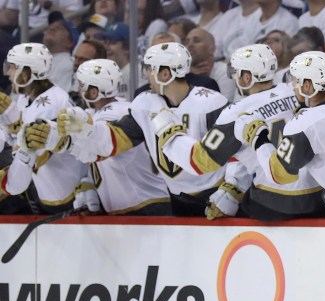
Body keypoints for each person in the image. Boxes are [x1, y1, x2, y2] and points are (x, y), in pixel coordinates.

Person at [164, 51, 325, 222]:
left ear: (308, 85)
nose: (292, 86)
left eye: (296, 81)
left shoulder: (302, 123)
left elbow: (278, 174)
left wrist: (258, 139)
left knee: (249, 197)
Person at [52, 42, 240, 217]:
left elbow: (238, 149)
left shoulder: (211, 102)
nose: (146, 75)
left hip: (216, 195)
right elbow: (116, 139)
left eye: (150, 69)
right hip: (176, 199)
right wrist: (85, 129)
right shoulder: (145, 103)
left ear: (165, 74)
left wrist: (233, 189)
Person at [159, 44, 325, 221]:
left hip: (275, 202)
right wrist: (233, 185)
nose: (234, 78)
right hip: (316, 196)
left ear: (247, 78)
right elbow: (248, 150)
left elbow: (200, 162)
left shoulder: (237, 112)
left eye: (237, 73)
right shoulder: (297, 93)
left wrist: (169, 135)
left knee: (230, 210)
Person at [26, 59, 172, 216]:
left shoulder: (110, 115)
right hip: (140, 203)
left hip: (144, 206)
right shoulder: (114, 109)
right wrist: (89, 182)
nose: (78, 90)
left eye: (81, 85)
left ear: (93, 92)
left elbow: (100, 142)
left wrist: (60, 139)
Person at [0, 43, 85, 214]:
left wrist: (14, 124)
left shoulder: (54, 103)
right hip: (46, 189)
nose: (8, 73)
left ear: (27, 72)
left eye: (12, 68)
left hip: (67, 195)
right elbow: (18, 142)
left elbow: (31, 154)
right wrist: (12, 126)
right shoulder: (24, 98)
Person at [185, 27, 235, 101]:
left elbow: (223, 107)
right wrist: (191, 77)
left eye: (196, 41)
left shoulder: (225, 72)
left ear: (212, 49)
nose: (189, 45)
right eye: (186, 42)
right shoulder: (183, 74)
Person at [44, 11, 79, 90]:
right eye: (50, 27)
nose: (52, 28)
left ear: (70, 42)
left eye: (59, 28)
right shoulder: (35, 62)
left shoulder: (71, 65)